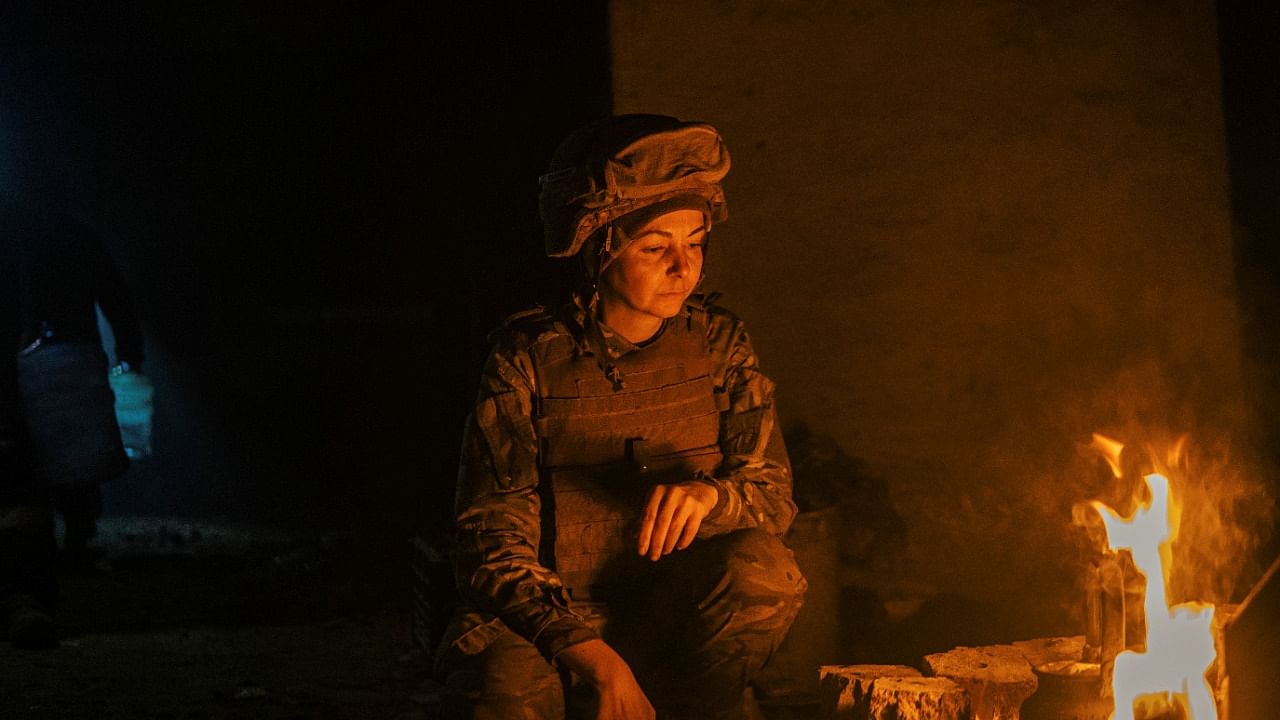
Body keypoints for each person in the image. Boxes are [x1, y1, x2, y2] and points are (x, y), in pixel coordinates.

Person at [434, 114, 807, 720]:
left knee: (762, 569)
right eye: (656, 247)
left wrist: (710, 499)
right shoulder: (526, 360)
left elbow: (774, 496)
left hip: (671, 613)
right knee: (498, 685)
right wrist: (599, 664)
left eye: (695, 243)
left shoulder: (719, 343)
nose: (684, 269)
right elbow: (489, 546)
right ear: (600, 250)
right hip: (554, 622)